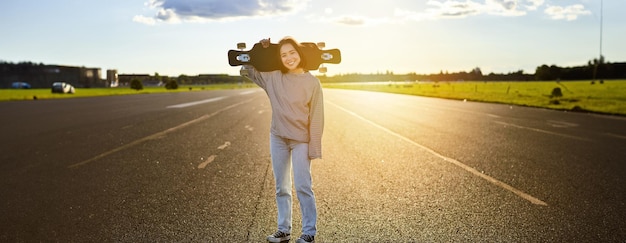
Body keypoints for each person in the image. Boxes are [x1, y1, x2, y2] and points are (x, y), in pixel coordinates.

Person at [243, 37, 323, 243]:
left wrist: (314, 148)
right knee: (282, 187)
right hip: (277, 137)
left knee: (303, 186)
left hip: (301, 141)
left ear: (299, 53)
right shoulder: (273, 77)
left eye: (292, 53)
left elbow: (317, 117)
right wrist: (260, 51)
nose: (288, 58)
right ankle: (284, 229)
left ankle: (309, 232)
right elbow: (247, 70)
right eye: (283, 54)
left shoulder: (313, 82)